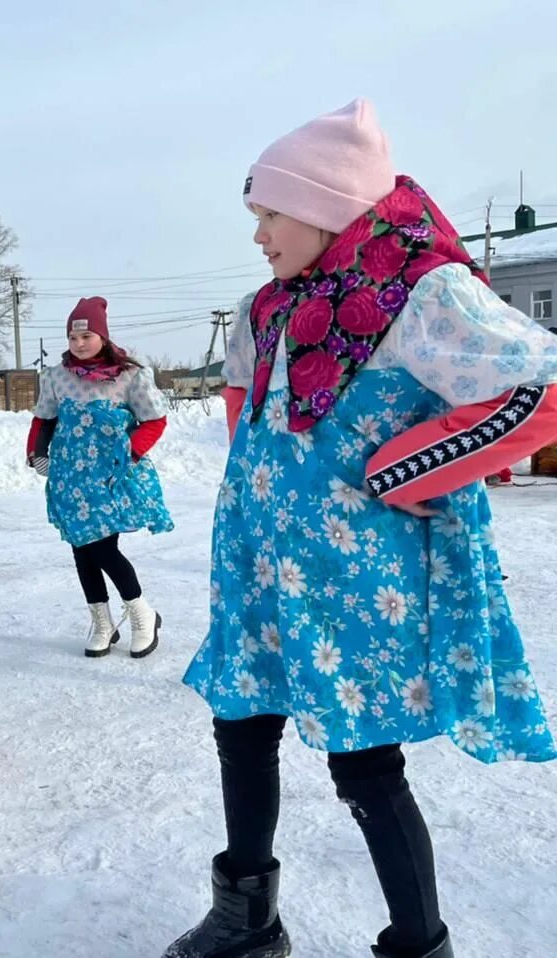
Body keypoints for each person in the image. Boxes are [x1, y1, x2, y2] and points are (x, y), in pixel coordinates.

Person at [167, 99, 557, 958]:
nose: (260, 234)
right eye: (257, 215)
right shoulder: (267, 308)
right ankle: (246, 919)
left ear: (323, 205)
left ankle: (419, 945)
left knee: (365, 765)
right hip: (264, 567)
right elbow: (244, 401)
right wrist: (259, 492)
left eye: (270, 213)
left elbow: (539, 388)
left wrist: (410, 464)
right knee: (242, 725)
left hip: (357, 579)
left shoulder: (422, 294)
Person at [25, 296, 172, 658]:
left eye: (86, 336)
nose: (78, 344)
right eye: (73, 338)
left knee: (103, 548)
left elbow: (155, 419)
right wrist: (36, 453)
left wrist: (132, 452)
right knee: (82, 549)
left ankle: (142, 614)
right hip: (69, 477)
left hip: (110, 476)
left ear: (102, 337)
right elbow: (44, 418)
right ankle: (102, 621)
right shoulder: (57, 376)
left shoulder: (130, 376)